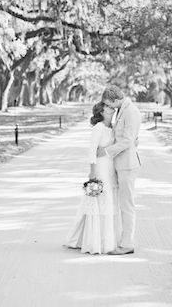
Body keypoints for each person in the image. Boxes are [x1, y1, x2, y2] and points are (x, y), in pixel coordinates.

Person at [65, 102, 120, 254]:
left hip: (111, 167)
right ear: (102, 112)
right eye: (108, 107)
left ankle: (107, 239)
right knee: (98, 201)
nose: (112, 108)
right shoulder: (98, 128)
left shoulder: (113, 128)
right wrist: (92, 172)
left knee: (109, 204)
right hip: (100, 169)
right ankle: (93, 242)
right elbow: (91, 151)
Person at [97, 85, 141, 255]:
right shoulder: (122, 109)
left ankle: (127, 244)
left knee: (127, 205)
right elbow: (130, 138)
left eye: (108, 103)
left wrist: (106, 151)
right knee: (121, 204)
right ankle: (120, 240)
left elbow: (127, 140)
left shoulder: (130, 111)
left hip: (128, 165)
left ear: (114, 99)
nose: (108, 107)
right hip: (120, 164)